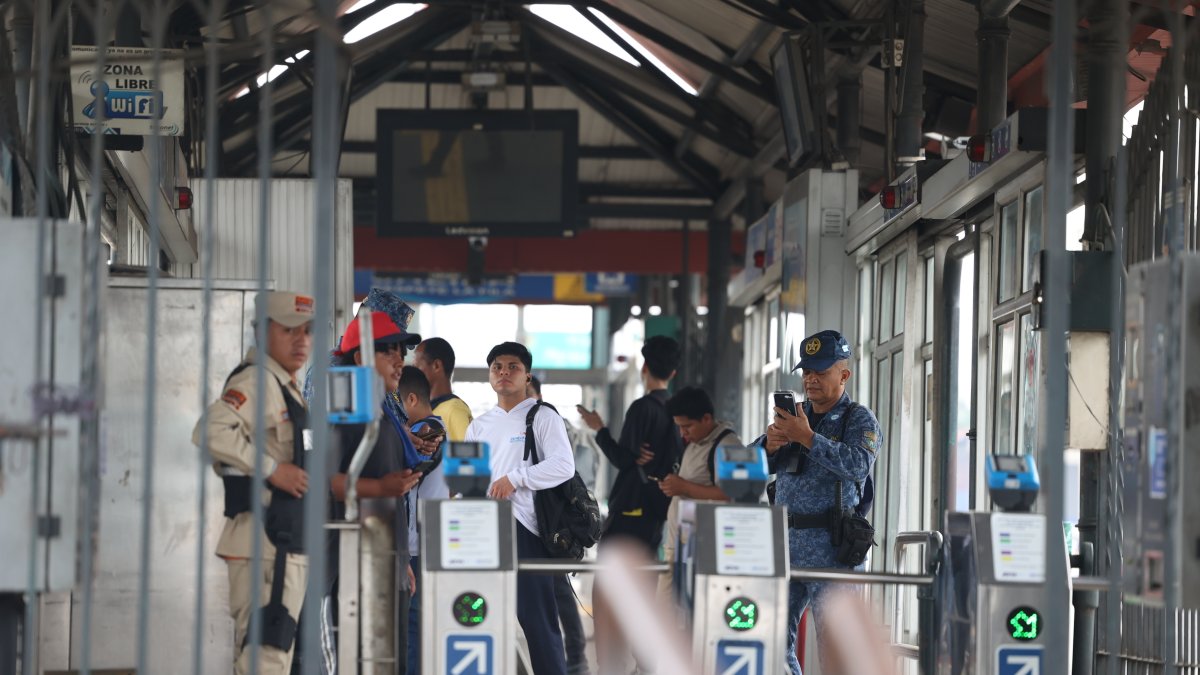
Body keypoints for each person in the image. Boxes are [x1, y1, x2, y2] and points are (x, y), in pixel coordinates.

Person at [193, 290, 315, 675]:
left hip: (282, 542)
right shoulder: (258, 380)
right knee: (265, 657)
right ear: (262, 334)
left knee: (268, 656)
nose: (302, 341)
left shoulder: (284, 385)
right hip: (266, 544)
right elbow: (210, 430)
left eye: (308, 331)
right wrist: (270, 469)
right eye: (290, 330)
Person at [764, 330, 882, 675]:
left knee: (835, 650)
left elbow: (859, 464)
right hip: (786, 545)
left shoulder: (858, 419)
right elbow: (757, 464)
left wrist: (809, 439)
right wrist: (768, 445)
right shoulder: (797, 415)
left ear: (843, 374)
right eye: (807, 372)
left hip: (833, 551)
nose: (811, 380)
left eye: (821, 372)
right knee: (770, 637)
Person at [466, 342, 574, 675]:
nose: (504, 373)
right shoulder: (480, 425)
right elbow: (468, 475)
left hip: (527, 526)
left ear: (527, 375)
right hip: (484, 528)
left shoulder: (542, 416)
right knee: (480, 615)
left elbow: (564, 466)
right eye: (497, 366)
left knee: (538, 620)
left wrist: (516, 478)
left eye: (513, 366)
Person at [577, 336, 681, 673]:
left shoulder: (643, 408)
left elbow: (624, 459)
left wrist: (599, 429)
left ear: (645, 367)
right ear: (674, 371)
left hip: (629, 512)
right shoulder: (676, 411)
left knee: (610, 589)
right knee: (646, 589)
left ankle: (613, 664)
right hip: (657, 515)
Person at [328, 310, 425, 673]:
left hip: (386, 562)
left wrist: (402, 562)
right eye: (388, 351)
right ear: (360, 357)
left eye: (401, 351)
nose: (400, 361)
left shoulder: (381, 413)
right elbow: (327, 483)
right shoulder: (348, 411)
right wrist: (380, 488)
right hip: (355, 570)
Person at [656, 386, 740, 606]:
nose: (683, 434)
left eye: (687, 427)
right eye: (680, 428)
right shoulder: (695, 443)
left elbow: (734, 496)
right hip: (679, 543)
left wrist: (683, 487)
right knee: (667, 613)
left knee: (679, 614)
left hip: (701, 551)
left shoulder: (728, 446)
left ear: (706, 418)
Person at [529, 376, 590, 675]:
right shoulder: (523, 425)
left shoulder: (552, 424)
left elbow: (570, 475)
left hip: (555, 524)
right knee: (552, 590)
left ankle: (576, 658)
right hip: (537, 521)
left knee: (560, 591)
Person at [396, 364, 450, 675]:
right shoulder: (431, 429)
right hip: (423, 544)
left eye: (398, 406)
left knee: (413, 629)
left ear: (412, 399)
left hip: (418, 548)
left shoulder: (427, 432)